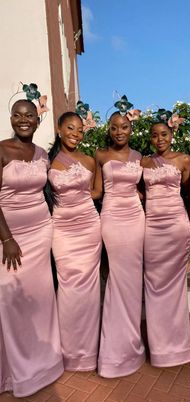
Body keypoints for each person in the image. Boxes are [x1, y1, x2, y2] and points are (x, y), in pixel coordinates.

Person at [0, 99, 63, 397]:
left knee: (40, 298)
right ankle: (17, 371)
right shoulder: (0, 150)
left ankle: (45, 362)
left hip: (41, 232)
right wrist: (7, 239)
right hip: (9, 236)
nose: (24, 120)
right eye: (18, 115)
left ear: (38, 121)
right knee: (10, 299)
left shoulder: (42, 155)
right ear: (11, 118)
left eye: (30, 116)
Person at [48, 111, 102, 371]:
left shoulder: (90, 161)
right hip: (61, 230)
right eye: (70, 128)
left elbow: (96, 191)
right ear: (59, 129)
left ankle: (88, 353)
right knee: (68, 287)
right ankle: (67, 351)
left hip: (89, 227)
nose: (76, 134)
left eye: (80, 130)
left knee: (90, 291)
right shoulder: (47, 161)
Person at [96, 96, 145, 377]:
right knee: (117, 278)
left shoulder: (140, 157)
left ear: (130, 130)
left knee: (132, 280)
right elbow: (96, 191)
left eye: (124, 127)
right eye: (114, 127)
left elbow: (146, 187)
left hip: (136, 219)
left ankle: (132, 343)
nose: (119, 132)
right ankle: (115, 350)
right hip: (112, 219)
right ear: (109, 130)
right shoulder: (100, 156)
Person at [141, 110, 190, 367]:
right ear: (150, 139)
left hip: (176, 227)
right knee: (154, 284)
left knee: (175, 286)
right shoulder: (143, 162)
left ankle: (179, 346)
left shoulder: (185, 160)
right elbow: (137, 192)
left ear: (172, 135)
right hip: (152, 228)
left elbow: (189, 193)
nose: (159, 138)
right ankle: (160, 347)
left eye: (164, 134)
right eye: (154, 135)